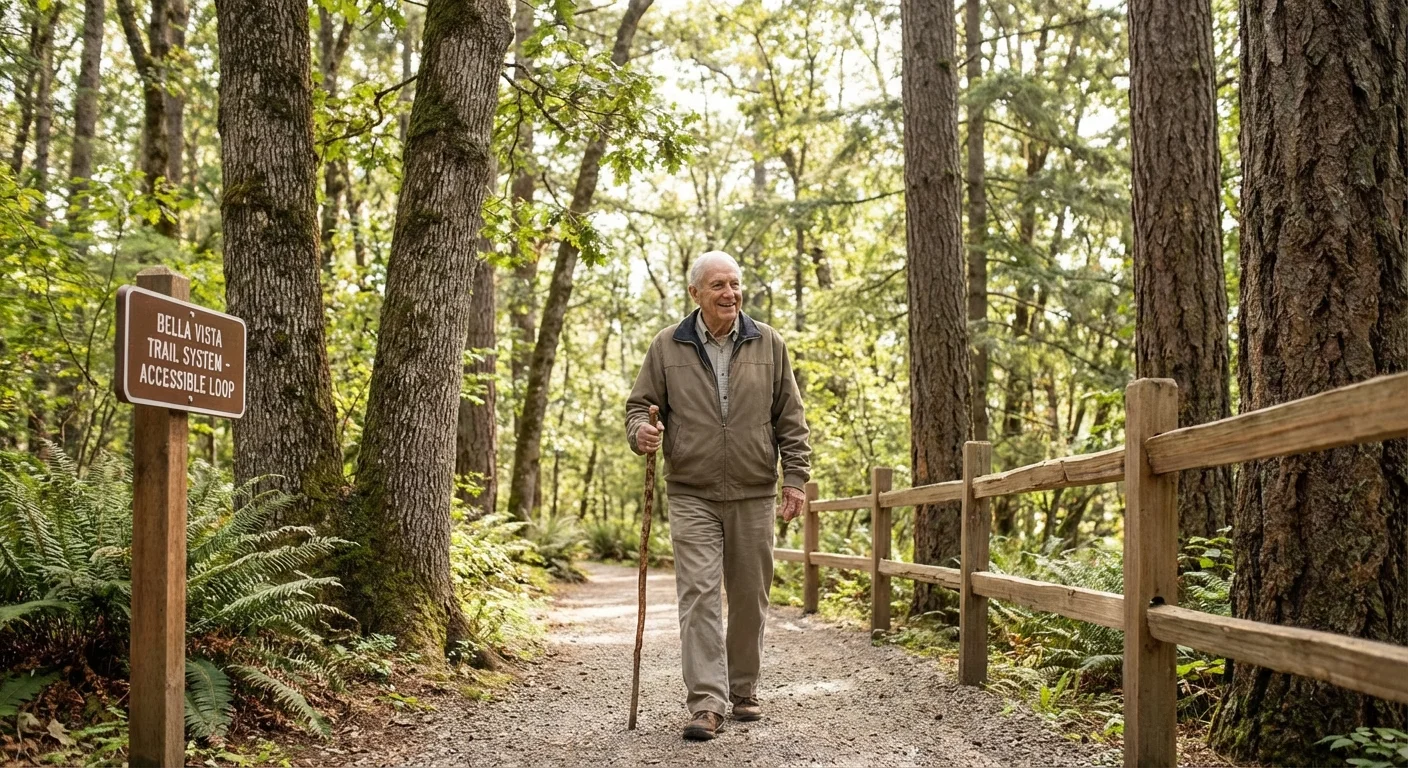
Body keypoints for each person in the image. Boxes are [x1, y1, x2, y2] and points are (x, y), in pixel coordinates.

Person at [625, 250, 812, 741]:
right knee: (699, 595)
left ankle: (744, 688)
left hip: (753, 489)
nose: (730, 294)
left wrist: (796, 477)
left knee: (750, 594)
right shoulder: (667, 346)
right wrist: (640, 433)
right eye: (718, 286)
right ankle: (707, 701)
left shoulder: (768, 342)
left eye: (734, 284)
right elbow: (638, 408)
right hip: (692, 490)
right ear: (695, 294)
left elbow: (790, 417)